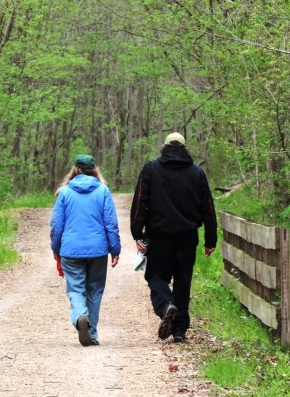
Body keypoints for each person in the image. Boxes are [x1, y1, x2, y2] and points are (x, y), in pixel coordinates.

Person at [130, 132, 217, 342]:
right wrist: (210, 240)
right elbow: (208, 208)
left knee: (156, 276)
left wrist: (137, 233)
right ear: (185, 148)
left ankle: (166, 306)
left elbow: (140, 202)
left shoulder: (151, 168)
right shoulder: (197, 173)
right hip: (187, 237)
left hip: (159, 236)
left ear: (165, 147)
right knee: (183, 281)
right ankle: (179, 331)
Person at [50, 154, 121, 346]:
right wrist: (115, 249)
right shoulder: (103, 191)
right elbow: (111, 223)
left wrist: (56, 248)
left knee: (75, 289)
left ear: (76, 169)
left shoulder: (64, 192)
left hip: (71, 250)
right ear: (94, 169)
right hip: (98, 250)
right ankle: (92, 333)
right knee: (95, 290)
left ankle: (81, 315)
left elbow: (57, 225)